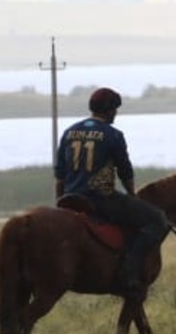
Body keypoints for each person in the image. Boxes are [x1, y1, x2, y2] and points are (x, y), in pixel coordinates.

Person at [54, 87, 170, 293]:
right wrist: (133, 196)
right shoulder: (113, 135)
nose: (116, 114)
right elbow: (125, 172)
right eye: (115, 109)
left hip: (71, 197)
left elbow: (59, 175)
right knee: (157, 220)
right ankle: (131, 270)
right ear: (109, 111)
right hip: (100, 198)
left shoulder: (69, 132)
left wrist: (60, 204)